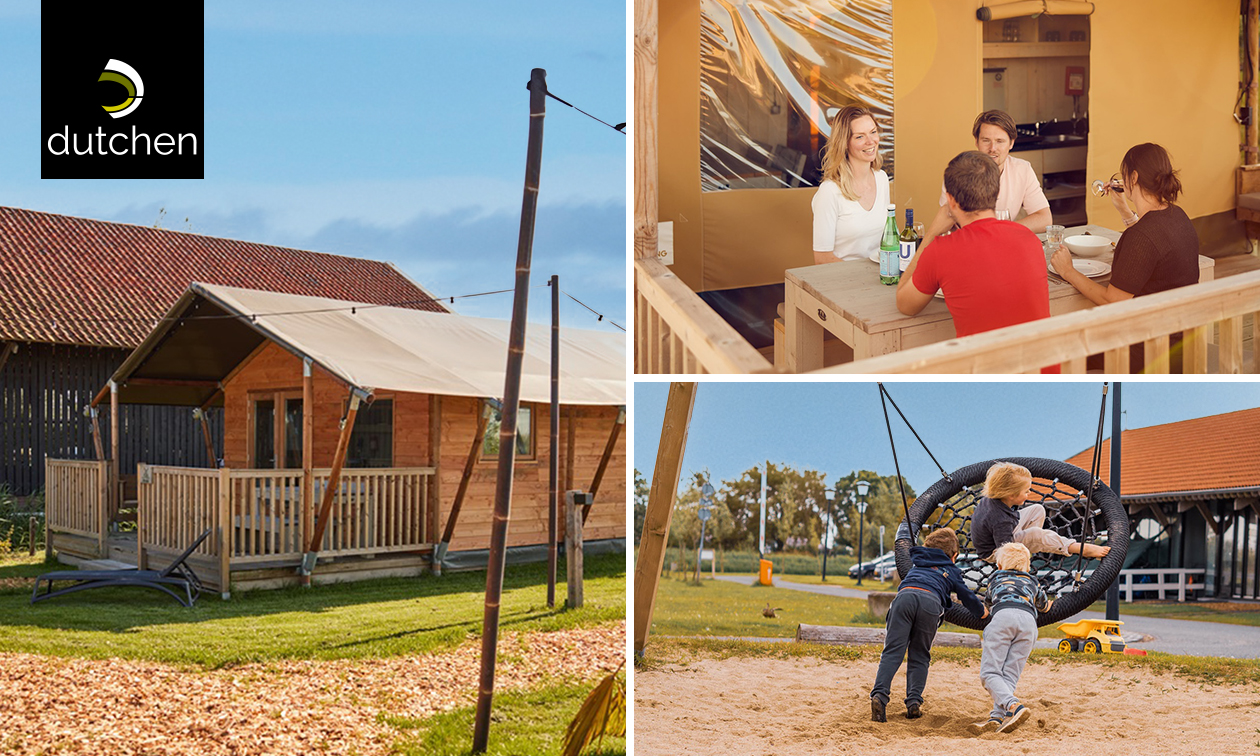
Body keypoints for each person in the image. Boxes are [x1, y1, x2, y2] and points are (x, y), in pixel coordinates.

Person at [896, 151, 1053, 343]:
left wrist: (931, 234)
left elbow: (905, 305)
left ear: (950, 200)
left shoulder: (941, 251)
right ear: (996, 193)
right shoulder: (1031, 241)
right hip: (1042, 370)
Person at [1050, 142, 1199, 305]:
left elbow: (1112, 300)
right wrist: (1124, 209)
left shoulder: (1141, 236)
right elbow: (1152, 241)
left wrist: (1067, 270)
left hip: (1155, 328)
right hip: (1186, 324)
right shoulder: (1178, 215)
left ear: (1134, 177)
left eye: (1124, 174)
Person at [870, 527, 987, 723]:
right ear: (954, 555)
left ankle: (879, 696)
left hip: (904, 598)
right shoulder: (951, 570)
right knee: (919, 655)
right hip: (930, 603)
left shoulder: (917, 562)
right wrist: (981, 612)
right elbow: (966, 596)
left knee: (892, 652)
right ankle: (914, 702)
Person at [920, 110, 1052, 249]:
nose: (992, 148)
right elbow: (947, 221)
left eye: (1000, 141)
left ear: (1011, 143)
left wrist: (1001, 230)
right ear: (976, 142)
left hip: (1004, 243)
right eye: (986, 141)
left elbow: (1044, 219)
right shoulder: (958, 173)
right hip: (966, 246)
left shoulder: (1022, 169)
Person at [976, 542, 1052, 734]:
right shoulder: (1032, 581)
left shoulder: (995, 578)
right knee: (1009, 675)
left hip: (1003, 618)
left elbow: (988, 604)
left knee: (989, 674)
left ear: (1000, 565)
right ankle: (997, 717)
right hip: (1029, 624)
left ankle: (1014, 705)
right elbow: (1044, 606)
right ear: (1027, 566)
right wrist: (1048, 605)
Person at [970, 462, 1110, 562]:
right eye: (1026, 491)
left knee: (1037, 509)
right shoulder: (1000, 519)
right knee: (1036, 534)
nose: (1029, 493)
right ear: (1011, 495)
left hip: (1001, 534)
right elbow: (1005, 551)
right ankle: (1075, 547)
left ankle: (1033, 544)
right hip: (995, 551)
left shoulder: (996, 499)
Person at [811, 105, 890, 264]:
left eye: (873, 132)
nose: (871, 141)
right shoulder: (830, 191)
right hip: (844, 280)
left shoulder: (881, 179)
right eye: (860, 137)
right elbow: (822, 258)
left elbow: (885, 241)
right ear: (845, 143)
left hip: (881, 276)